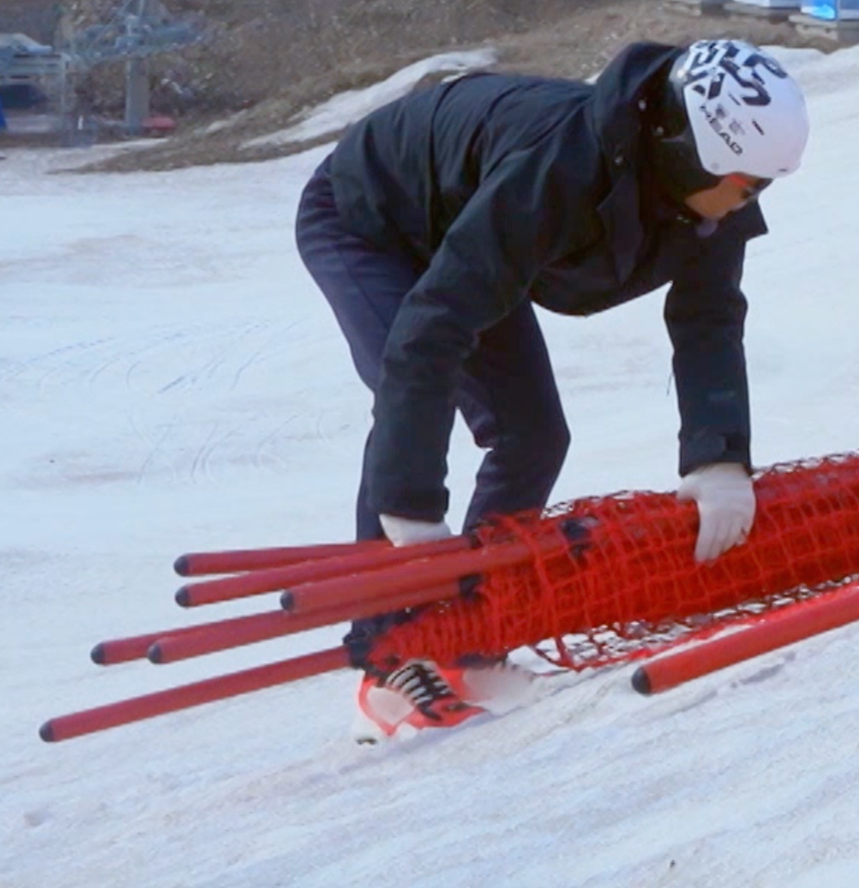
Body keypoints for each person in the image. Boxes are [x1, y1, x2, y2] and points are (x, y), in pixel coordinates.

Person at [292, 37, 808, 736]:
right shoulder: (557, 170)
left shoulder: (709, 194)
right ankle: (390, 659)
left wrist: (717, 457)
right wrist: (408, 506)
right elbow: (432, 330)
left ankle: (471, 637)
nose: (750, 199)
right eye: (745, 182)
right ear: (688, 148)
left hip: (467, 227)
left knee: (532, 434)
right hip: (375, 218)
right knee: (407, 392)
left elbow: (709, 318)